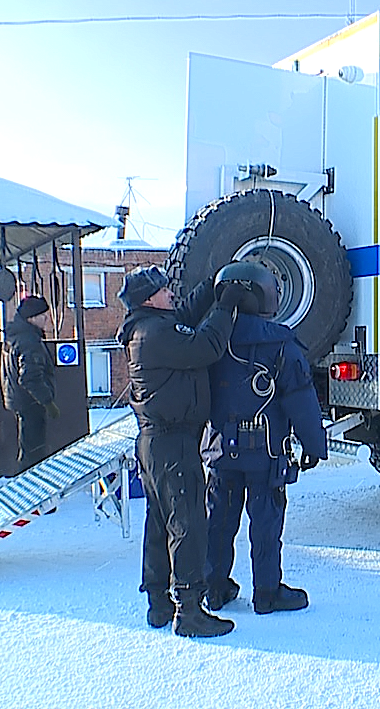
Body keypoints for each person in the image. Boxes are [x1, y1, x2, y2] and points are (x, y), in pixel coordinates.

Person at [116, 265, 242, 638]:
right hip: (173, 443)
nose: (171, 293)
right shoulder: (155, 332)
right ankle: (189, 612)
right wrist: (224, 307)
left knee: (159, 524)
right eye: (164, 290)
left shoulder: (148, 327)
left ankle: (158, 604)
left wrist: (212, 285)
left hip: (158, 443)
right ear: (148, 299)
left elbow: (184, 316)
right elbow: (207, 346)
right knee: (188, 523)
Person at [204, 260, 327, 616]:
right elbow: (301, 400)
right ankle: (267, 593)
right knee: (266, 522)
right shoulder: (281, 345)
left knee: (220, 521)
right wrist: (315, 445)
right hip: (266, 452)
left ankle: (214, 587)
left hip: (220, 450)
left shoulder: (209, 341)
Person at [0, 295, 58, 471]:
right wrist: (48, 402)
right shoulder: (29, 341)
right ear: (32, 318)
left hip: (20, 401)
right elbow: (29, 377)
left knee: (28, 448)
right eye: (43, 315)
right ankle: (30, 487)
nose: (47, 319)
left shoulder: (14, 336)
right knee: (33, 454)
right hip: (31, 403)